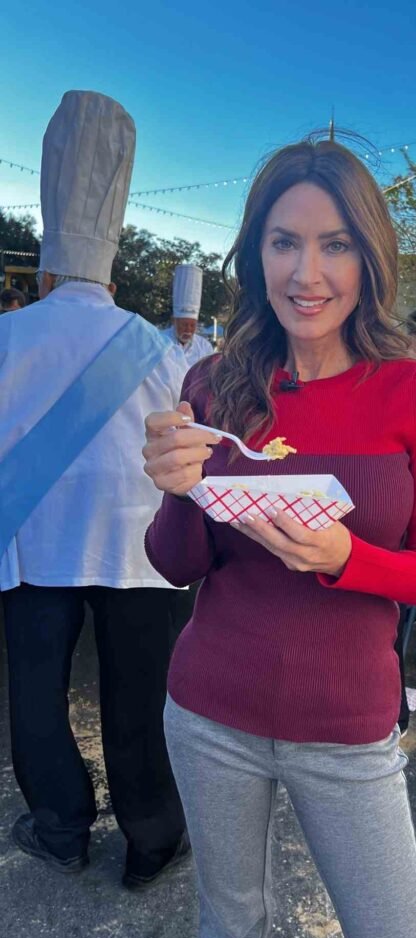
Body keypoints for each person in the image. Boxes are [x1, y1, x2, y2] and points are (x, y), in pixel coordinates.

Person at [143, 138, 416, 938]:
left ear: (370, 256)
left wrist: (347, 561)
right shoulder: (216, 380)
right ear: (256, 254)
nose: (308, 271)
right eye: (285, 242)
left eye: (334, 244)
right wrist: (178, 489)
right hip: (211, 708)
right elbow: (177, 561)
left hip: (348, 725)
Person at [0, 91, 190, 887]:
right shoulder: (160, 346)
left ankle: (61, 825)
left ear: (44, 261)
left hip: (34, 543)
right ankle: (150, 841)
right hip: (139, 546)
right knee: (141, 701)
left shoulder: (7, 335)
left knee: (37, 696)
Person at [161, 263, 214, 367]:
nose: (188, 330)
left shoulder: (204, 347)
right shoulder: (160, 340)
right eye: (184, 324)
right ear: (174, 321)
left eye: (192, 325)